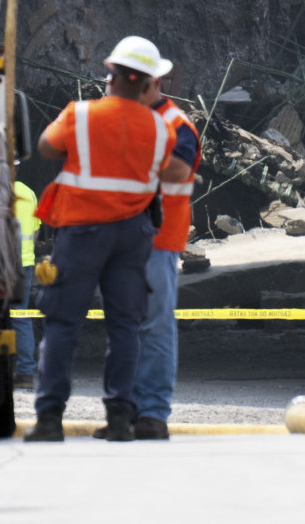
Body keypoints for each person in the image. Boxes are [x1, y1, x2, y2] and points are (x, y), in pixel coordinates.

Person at [24, 36, 178, 442]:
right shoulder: (161, 130)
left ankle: (50, 418)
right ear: (148, 84)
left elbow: (45, 148)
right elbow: (168, 172)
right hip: (133, 236)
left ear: (110, 77)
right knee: (125, 325)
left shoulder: (80, 114)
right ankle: (120, 420)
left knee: (62, 323)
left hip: (81, 232)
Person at [93, 59, 200, 441]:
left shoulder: (176, 123)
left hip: (157, 239)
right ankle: (126, 411)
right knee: (124, 327)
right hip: (120, 239)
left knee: (153, 325)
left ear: (153, 84)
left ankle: (152, 413)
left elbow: (179, 170)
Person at [12, 180, 41, 388]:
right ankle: (26, 373)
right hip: (25, 262)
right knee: (20, 316)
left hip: (0, 263)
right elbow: (36, 231)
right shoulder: (29, 192)